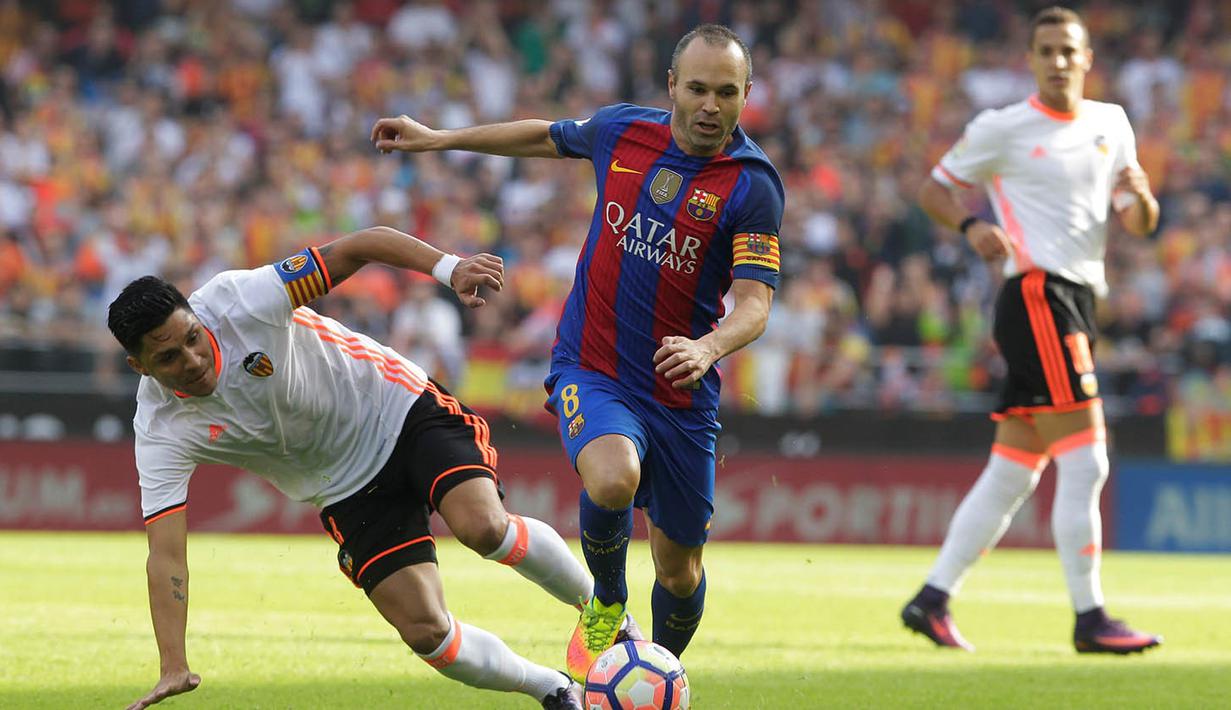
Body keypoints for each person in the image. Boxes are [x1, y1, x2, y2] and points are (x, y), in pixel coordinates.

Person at [371, 23, 784, 681]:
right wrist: (439, 137)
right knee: (613, 477)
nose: (711, 105)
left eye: (726, 93)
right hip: (592, 365)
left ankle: (656, 675)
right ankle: (607, 602)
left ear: (746, 95)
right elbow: (542, 136)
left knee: (679, 572)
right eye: (698, 89)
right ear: (672, 86)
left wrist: (708, 348)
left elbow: (756, 305)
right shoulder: (623, 131)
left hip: (680, 388)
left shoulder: (752, 184)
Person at [110, 226, 591, 709]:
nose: (192, 360)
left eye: (193, 337)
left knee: (483, 528)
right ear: (139, 366)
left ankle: (601, 610)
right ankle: (553, 688)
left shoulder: (243, 300)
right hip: (344, 487)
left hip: (398, 407)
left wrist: (451, 268)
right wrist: (173, 662)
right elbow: (166, 555)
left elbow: (360, 246)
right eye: (168, 358)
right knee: (426, 633)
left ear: (196, 317)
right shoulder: (159, 430)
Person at [902, 6, 1161, 654]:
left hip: (1076, 300)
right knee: (1088, 461)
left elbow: (1137, 221)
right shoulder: (1003, 128)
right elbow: (934, 189)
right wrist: (971, 226)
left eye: (1067, 50)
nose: (1057, 61)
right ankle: (1090, 617)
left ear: (1086, 58)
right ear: (1031, 60)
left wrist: (1143, 197)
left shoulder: (1111, 123)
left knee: (1012, 472)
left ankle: (931, 599)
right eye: (1045, 50)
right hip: (1038, 295)